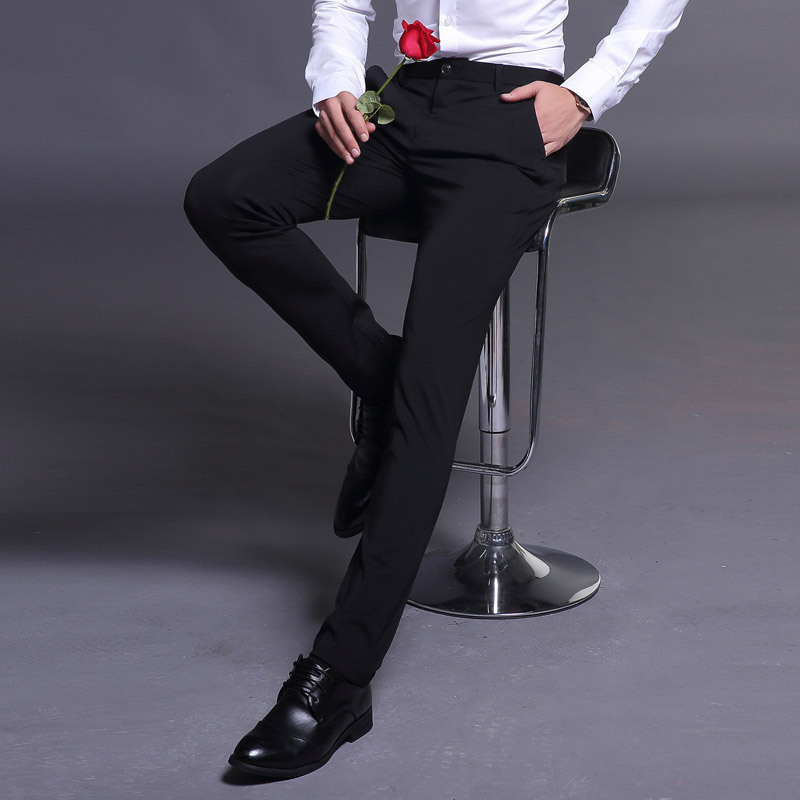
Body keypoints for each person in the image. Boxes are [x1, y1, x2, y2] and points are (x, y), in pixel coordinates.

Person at [183, 0, 689, 780]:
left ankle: (340, 679)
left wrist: (589, 92)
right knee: (225, 197)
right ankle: (386, 387)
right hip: (402, 102)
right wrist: (335, 82)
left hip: (509, 118)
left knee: (433, 385)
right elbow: (345, 3)